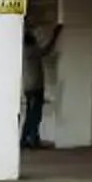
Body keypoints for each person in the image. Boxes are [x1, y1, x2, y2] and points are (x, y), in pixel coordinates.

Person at [21, 21, 60, 149]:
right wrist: (56, 34)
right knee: (35, 114)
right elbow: (47, 50)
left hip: (27, 86)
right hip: (36, 86)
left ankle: (26, 138)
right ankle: (31, 139)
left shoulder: (23, 50)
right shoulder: (32, 50)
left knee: (30, 113)